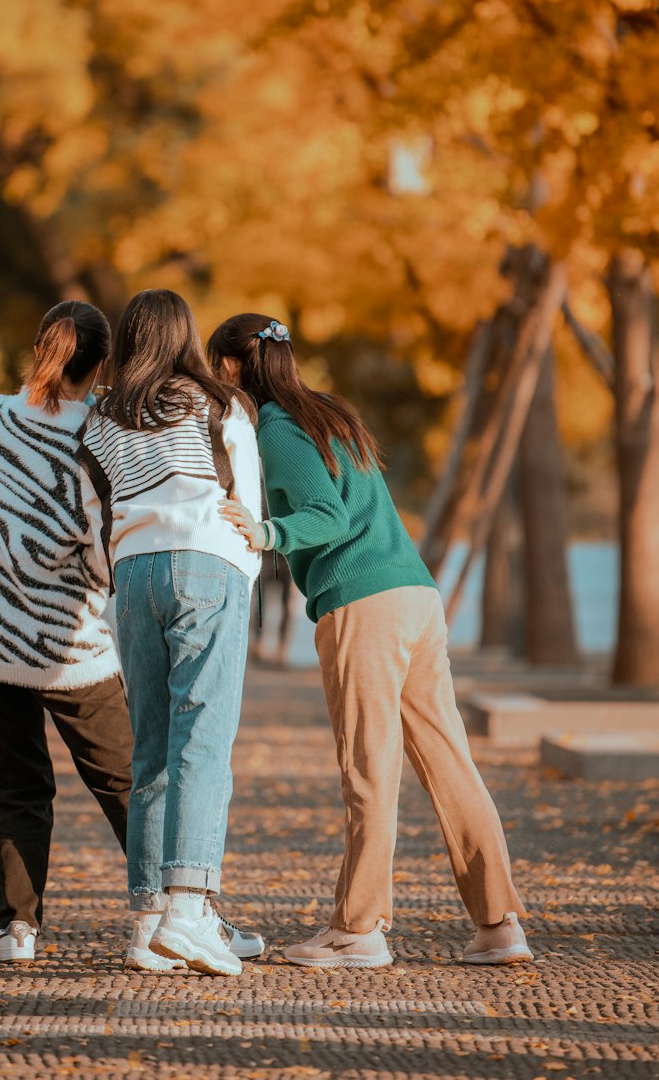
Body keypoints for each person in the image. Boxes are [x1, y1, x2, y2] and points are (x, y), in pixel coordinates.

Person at [210, 313, 533, 970]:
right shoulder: (329, 413)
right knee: (450, 766)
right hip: (416, 597)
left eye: (216, 368)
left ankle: (359, 930)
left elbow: (325, 517)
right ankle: (500, 927)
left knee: (368, 772)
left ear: (234, 367)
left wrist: (265, 533)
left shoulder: (277, 430)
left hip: (364, 605)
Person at [0, 301, 141, 965]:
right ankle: (168, 915)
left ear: (39, 348)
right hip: (64, 649)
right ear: (103, 364)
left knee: (16, 788)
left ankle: (15, 929)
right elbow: (100, 556)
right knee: (126, 783)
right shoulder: (100, 437)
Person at [80, 289, 265, 977]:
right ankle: (189, 909)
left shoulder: (103, 415)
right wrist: (244, 565)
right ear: (185, 335)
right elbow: (247, 503)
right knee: (205, 739)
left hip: (133, 576)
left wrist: (119, 568)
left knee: (151, 746)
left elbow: (91, 507)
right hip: (205, 565)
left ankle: (149, 921)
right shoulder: (217, 404)